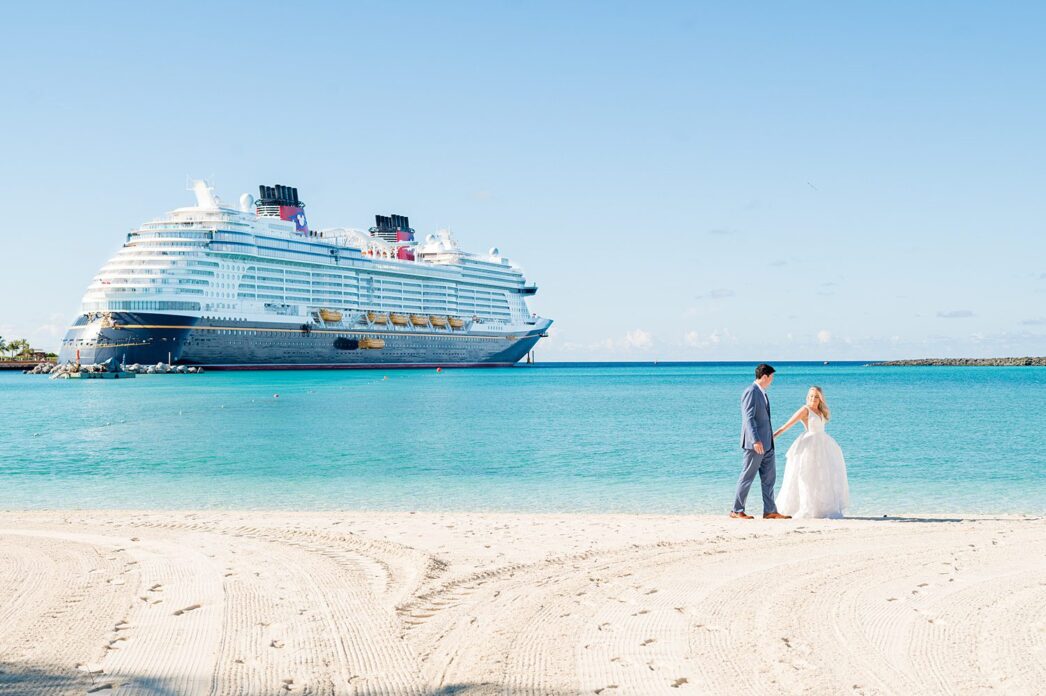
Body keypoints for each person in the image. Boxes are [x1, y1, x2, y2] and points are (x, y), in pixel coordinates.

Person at [773, 386, 850, 518]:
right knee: (807, 477)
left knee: (824, 477)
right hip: (810, 446)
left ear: (820, 398)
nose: (812, 399)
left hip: (824, 445)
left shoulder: (821, 411)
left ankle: (821, 509)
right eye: (810, 396)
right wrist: (772, 437)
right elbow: (787, 425)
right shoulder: (805, 410)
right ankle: (806, 508)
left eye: (815, 396)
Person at [732, 363, 791, 519]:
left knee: (769, 478)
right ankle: (736, 510)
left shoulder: (762, 392)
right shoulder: (750, 392)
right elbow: (748, 418)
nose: (772, 381)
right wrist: (755, 440)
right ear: (765, 376)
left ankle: (770, 510)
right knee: (747, 477)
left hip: (768, 444)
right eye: (771, 377)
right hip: (755, 444)